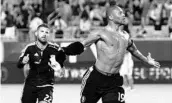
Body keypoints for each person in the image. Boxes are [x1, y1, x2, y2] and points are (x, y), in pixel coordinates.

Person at [79, 5, 160, 103]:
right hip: (95, 78)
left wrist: (147, 60)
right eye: (120, 13)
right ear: (111, 17)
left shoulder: (125, 35)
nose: (124, 15)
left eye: (123, 13)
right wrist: (61, 56)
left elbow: (134, 50)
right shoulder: (100, 33)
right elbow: (81, 45)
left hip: (113, 81)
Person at [17, 24, 84, 103]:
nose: (44, 34)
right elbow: (19, 65)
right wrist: (23, 61)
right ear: (36, 33)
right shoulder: (29, 48)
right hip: (30, 85)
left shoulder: (56, 49)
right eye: (42, 31)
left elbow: (61, 70)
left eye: (47, 32)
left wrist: (59, 68)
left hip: (46, 85)